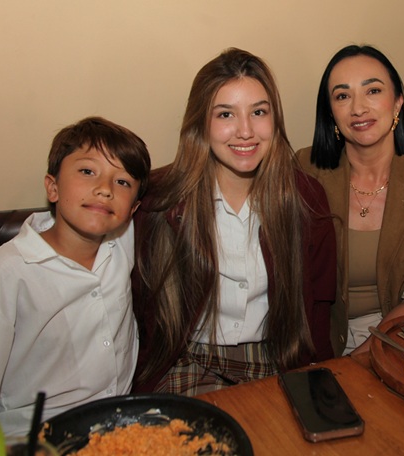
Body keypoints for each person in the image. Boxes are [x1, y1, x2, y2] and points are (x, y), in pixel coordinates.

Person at [0, 117, 151, 454]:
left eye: (122, 181)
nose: (105, 188)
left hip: (117, 430)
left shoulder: (121, 240)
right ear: (52, 187)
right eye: (88, 172)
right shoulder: (5, 272)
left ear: (132, 210)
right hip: (34, 440)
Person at [132, 48, 336, 396]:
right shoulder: (159, 199)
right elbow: (139, 308)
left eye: (259, 112)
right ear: (201, 123)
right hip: (188, 361)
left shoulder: (305, 198)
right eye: (226, 114)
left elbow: (318, 308)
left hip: (276, 360)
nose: (245, 131)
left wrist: (321, 387)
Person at [296, 44, 404, 358]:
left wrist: (363, 356)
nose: (358, 108)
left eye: (372, 90)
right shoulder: (305, 172)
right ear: (331, 111)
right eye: (342, 95)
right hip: (324, 336)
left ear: (398, 102)